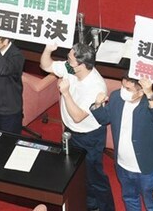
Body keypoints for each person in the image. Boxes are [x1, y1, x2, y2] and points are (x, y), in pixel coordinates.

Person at [40, 42, 114, 211]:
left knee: (94, 177)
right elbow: (46, 65)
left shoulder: (95, 86)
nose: (67, 61)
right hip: (70, 132)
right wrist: (48, 49)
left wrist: (65, 93)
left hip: (89, 137)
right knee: (75, 173)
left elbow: (78, 116)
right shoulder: (71, 68)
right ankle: (88, 205)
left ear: (81, 65)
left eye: (70, 59)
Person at [92, 78, 153, 211]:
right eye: (123, 85)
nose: (123, 91)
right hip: (122, 165)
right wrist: (97, 105)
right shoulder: (116, 97)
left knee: (151, 203)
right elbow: (104, 119)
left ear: (141, 92)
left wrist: (150, 95)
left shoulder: (152, 102)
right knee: (129, 198)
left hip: (146, 168)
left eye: (128, 89)